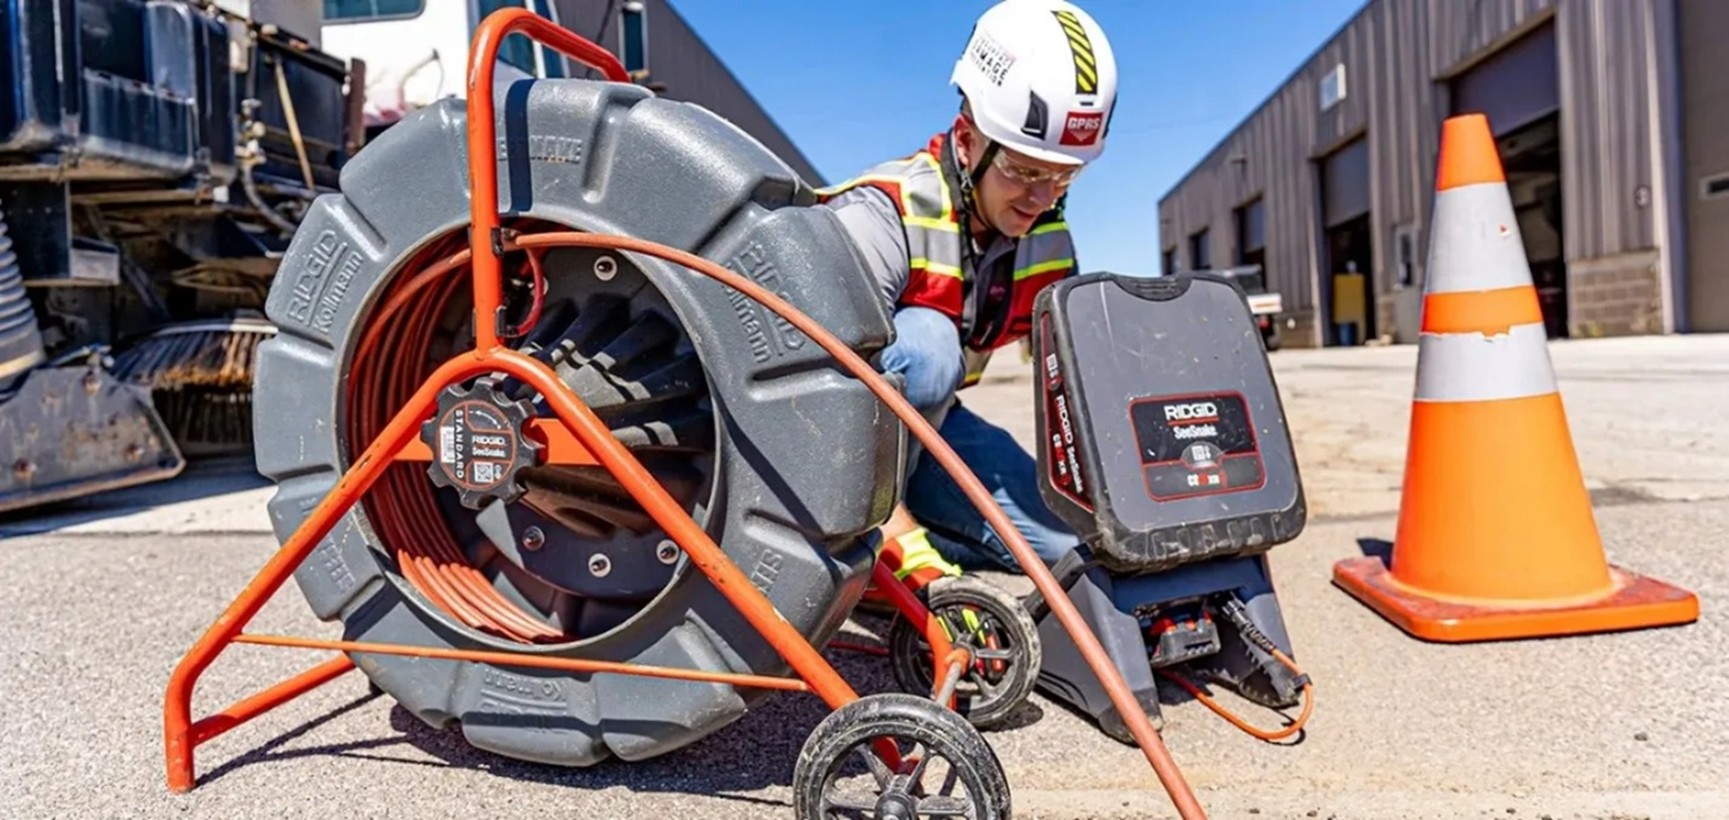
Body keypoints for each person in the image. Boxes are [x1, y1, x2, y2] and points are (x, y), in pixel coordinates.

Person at [818, 0, 1118, 591]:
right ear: (966, 140)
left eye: (1063, 177)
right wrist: (900, 545)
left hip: (932, 432)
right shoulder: (883, 214)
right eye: (1025, 171)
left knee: (1071, 546)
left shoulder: (1048, 238)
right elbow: (815, 399)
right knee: (929, 350)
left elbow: (1080, 387)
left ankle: (906, 528)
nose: (1041, 197)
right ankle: (856, 542)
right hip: (833, 445)